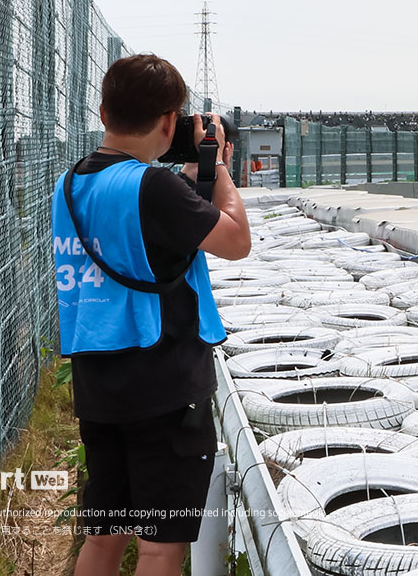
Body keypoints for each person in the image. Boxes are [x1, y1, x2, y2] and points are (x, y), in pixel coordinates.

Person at [50, 54, 251, 575]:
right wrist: (219, 166)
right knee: (161, 543)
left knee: (105, 534)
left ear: (102, 110)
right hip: (163, 384)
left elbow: (146, 225)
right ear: (168, 122)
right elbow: (235, 241)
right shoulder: (153, 188)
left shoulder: (71, 183)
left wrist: (191, 175)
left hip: (99, 382)